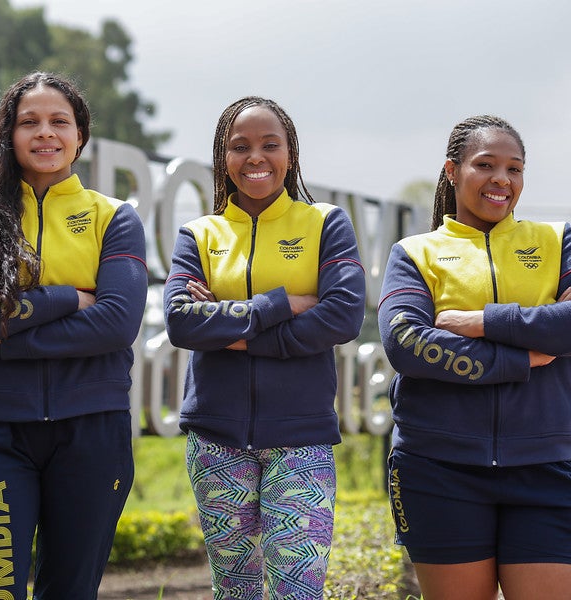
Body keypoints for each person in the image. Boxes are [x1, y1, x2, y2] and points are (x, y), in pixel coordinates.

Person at [378, 115, 571, 600]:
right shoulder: (414, 253)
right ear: (452, 170)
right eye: (485, 165)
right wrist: (527, 355)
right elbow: (406, 343)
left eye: (515, 169)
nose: (501, 180)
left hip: (546, 469)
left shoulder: (555, 240)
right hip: (437, 469)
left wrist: (482, 321)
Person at [0, 71, 147, 600]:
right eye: (29, 122)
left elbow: (119, 321)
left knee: (70, 592)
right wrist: (68, 298)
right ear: (9, 134)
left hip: (92, 432)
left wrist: (13, 338)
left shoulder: (115, 218)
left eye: (59, 121)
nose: (45, 133)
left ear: (81, 135)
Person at [163, 96, 366, 599]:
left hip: (302, 438)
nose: (256, 157)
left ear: (290, 154)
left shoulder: (325, 224)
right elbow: (181, 323)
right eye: (240, 147)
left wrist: (231, 330)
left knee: (298, 589)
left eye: (269, 145)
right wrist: (286, 303)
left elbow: (343, 314)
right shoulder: (199, 234)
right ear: (223, 159)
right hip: (215, 439)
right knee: (236, 591)